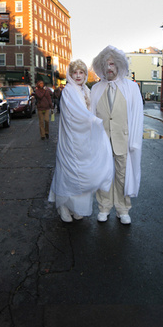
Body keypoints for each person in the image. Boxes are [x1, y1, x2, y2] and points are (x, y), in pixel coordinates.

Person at [48, 60, 114, 223]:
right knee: (68, 171)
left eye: (81, 72)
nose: (78, 76)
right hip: (71, 139)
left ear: (85, 74)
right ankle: (63, 206)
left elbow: (93, 109)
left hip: (85, 139)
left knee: (83, 173)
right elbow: (75, 113)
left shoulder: (86, 90)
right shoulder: (68, 91)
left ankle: (76, 207)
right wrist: (93, 120)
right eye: (75, 73)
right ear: (70, 75)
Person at [90, 45, 144, 224]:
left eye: (112, 63)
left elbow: (137, 115)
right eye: (106, 64)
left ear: (119, 65)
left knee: (122, 175)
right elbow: (91, 116)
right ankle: (104, 207)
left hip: (123, 140)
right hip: (102, 141)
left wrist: (134, 141)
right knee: (103, 175)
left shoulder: (131, 88)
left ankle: (123, 209)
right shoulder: (96, 89)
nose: (109, 67)